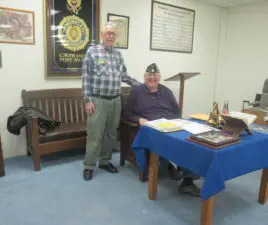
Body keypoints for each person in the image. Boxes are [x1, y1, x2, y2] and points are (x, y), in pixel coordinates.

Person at [123, 63, 200, 197]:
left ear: (159, 77)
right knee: (171, 144)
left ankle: (187, 180)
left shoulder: (166, 91)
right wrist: (139, 119)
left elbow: (177, 111)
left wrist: (179, 123)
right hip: (153, 127)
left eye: (155, 75)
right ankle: (169, 166)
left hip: (171, 124)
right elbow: (127, 113)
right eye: (149, 76)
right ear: (144, 77)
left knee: (192, 141)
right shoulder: (136, 92)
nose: (152, 78)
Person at [81, 22, 140, 181]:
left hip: (115, 100)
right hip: (98, 101)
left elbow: (124, 76)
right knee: (95, 135)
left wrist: (140, 85)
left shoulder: (118, 55)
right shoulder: (92, 52)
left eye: (113, 34)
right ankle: (89, 165)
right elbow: (86, 78)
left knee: (110, 134)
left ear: (116, 37)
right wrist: (87, 100)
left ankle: (105, 161)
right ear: (102, 34)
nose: (110, 36)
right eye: (107, 33)